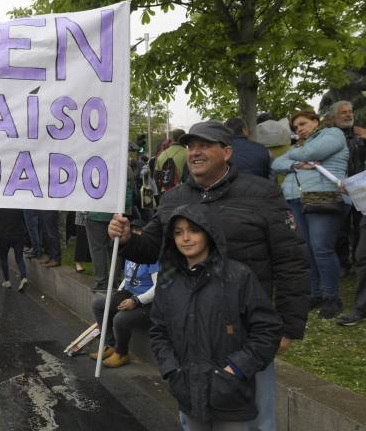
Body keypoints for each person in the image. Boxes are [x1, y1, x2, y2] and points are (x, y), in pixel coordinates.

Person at [109, 120, 309, 431]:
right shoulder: (174, 199)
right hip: (192, 332)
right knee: (194, 416)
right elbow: (151, 247)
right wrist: (126, 239)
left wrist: (289, 325)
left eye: (205, 145)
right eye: (191, 146)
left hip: (249, 332)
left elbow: (291, 261)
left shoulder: (262, 194)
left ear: (227, 152)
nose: (195, 152)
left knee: (257, 420)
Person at [150, 205, 282, 431]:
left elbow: (267, 329)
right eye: (178, 232)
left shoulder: (238, 276)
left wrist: (236, 369)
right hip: (188, 393)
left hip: (231, 396)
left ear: (209, 232)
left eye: (193, 230)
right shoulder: (168, 281)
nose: (186, 238)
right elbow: (158, 331)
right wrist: (172, 369)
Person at [272, 110, 348, 319]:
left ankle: (332, 297)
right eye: (296, 128)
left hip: (323, 197)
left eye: (303, 124)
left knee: (321, 248)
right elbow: (276, 164)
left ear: (316, 121)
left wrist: (297, 154)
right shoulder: (301, 145)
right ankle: (315, 294)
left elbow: (309, 154)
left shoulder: (333, 134)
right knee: (306, 250)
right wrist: (297, 164)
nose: (300, 130)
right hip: (296, 199)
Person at [91, 219, 157, 368]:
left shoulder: (153, 256)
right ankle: (110, 344)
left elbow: (159, 287)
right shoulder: (131, 251)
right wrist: (119, 292)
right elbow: (128, 277)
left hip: (149, 302)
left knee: (121, 319)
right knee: (100, 304)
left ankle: (122, 353)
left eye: (138, 231)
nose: (134, 233)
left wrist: (135, 300)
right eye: (132, 230)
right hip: (130, 293)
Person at [331, 101, 364, 275]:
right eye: (343, 112)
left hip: (361, 187)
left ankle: (360, 262)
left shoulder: (360, 134)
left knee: (360, 226)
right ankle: (343, 264)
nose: (348, 115)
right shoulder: (328, 136)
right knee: (340, 228)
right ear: (334, 117)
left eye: (350, 111)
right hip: (338, 187)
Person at [0, 208, 28, 292]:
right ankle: (23, 277)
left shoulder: (1, 206)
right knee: (19, 258)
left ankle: (7, 281)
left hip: (4, 235)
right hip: (19, 235)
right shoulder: (18, 207)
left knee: (3, 258)